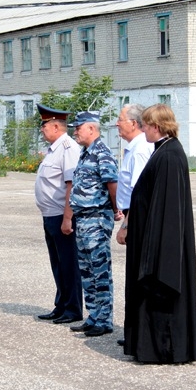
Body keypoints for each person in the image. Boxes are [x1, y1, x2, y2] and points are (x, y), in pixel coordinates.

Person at [123, 103, 196, 363]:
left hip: (158, 244)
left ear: (156, 127)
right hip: (149, 236)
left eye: (145, 125)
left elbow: (166, 209)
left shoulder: (169, 156)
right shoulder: (165, 150)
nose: (143, 129)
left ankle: (163, 348)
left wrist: (154, 252)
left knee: (159, 295)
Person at [67, 111, 121, 337]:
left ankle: (105, 319)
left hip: (97, 219)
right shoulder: (84, 153)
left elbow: (112, 184)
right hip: (83, 219)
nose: (75, 132)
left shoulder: (102, 153)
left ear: (91, 128)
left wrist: (117, 209)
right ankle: (94, 315)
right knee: (87, 271)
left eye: (78, 128)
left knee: (100, 271)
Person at [34, 104, 83, 324]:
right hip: (50, 215)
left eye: (44, 125)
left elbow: (71, 185)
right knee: (58, 263)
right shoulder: (54, 149)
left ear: (55, 125)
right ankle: (61, 305)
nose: (42, 129)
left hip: (61, 216)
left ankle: (73, 309)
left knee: (68, 263)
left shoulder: (68, 148)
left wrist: (67, 217)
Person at [114, 104, 153, 347]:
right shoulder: (133, 148)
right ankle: (134, 331)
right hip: (131, 215)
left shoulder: (140, 150)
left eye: (120, 119)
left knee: (138, 277)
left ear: (134, 123)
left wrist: (126, 224)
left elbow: (139, 192)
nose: (117, 124)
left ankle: (138, 332)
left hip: (137, 219)